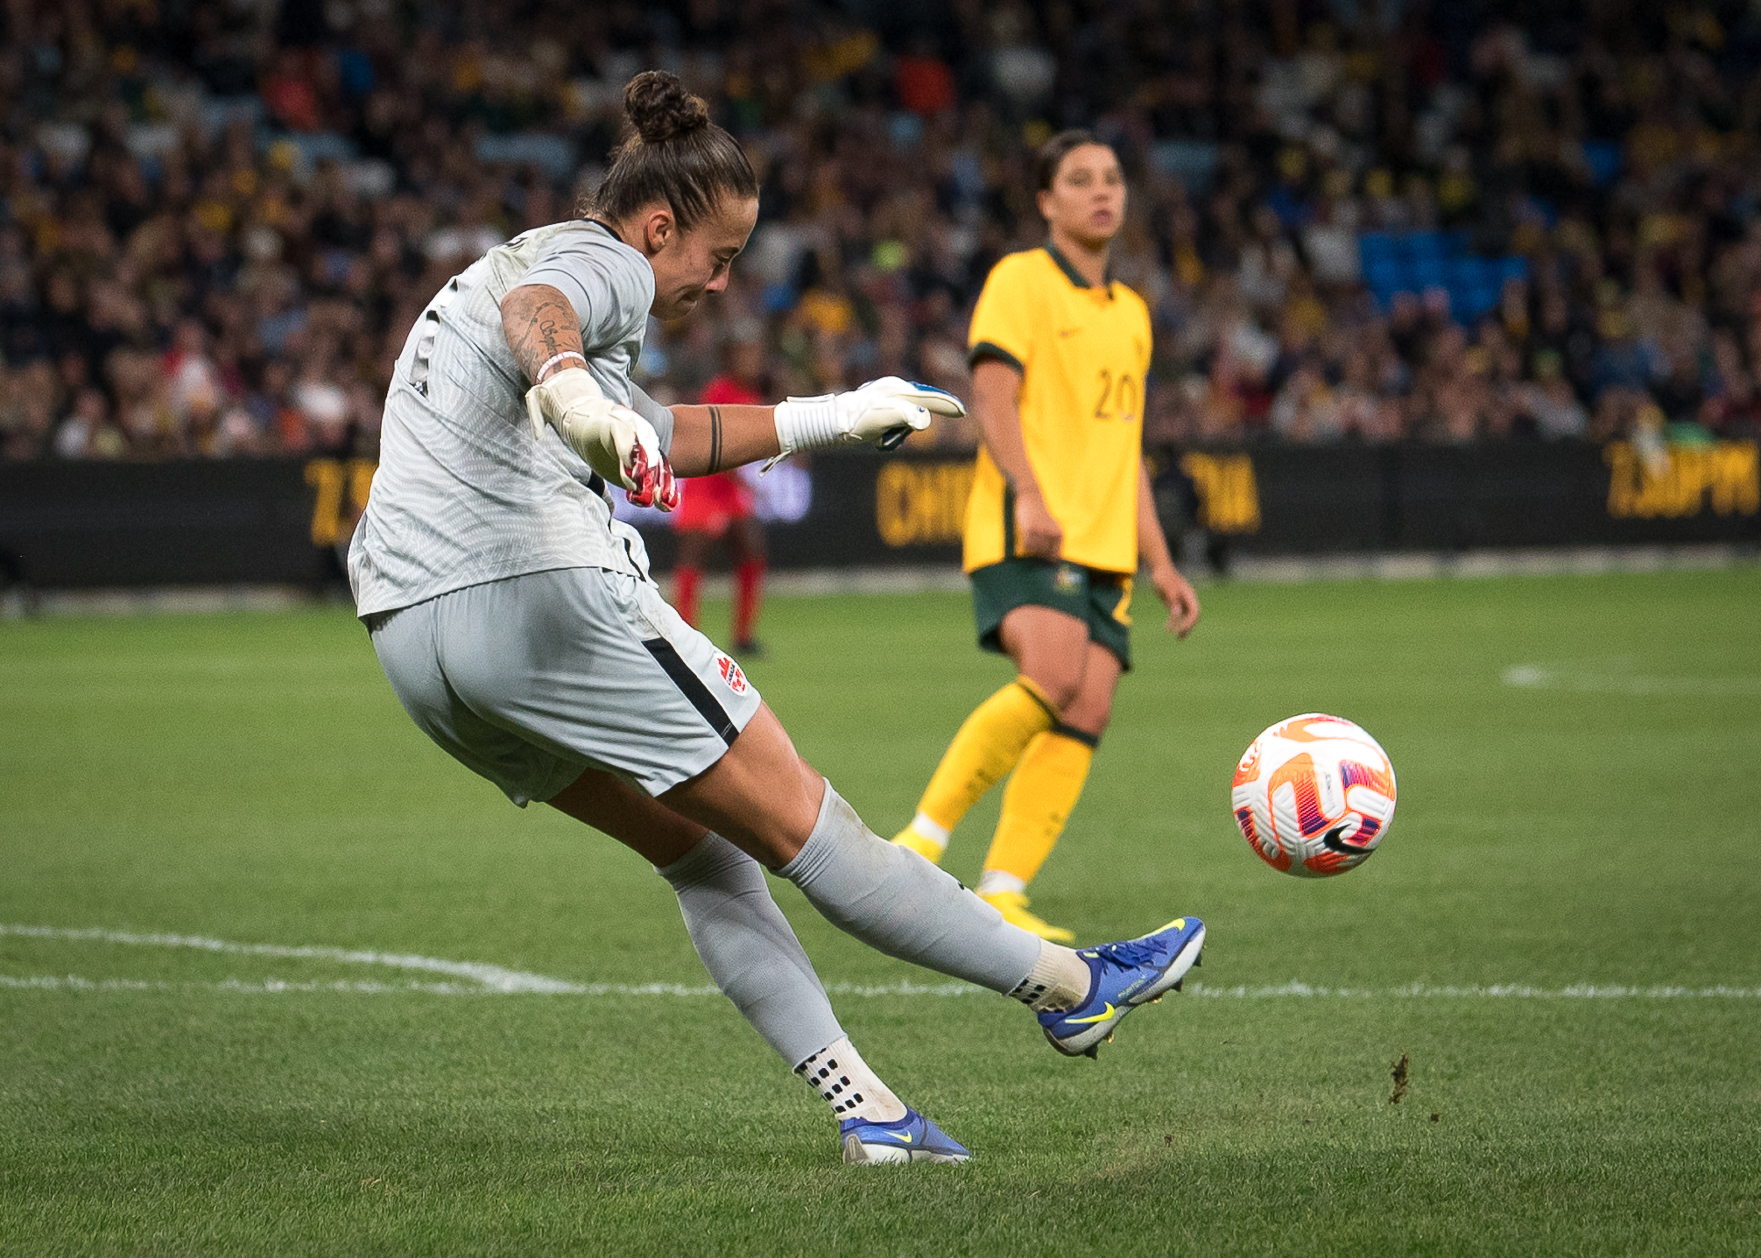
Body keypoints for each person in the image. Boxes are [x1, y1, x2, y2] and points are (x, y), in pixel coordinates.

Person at [349, 75, 1205, 1166]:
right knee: (814, 829)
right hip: (535, 600)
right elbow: (544, 321)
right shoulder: (600, 265)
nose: (720, 277)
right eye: (720, 252)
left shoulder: (508, 264)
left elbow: (662, 422)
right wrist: (569, 394)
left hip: (419, 649)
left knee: (704, 857)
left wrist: (837, 414)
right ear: (660, 225)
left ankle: (871, 1113)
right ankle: (1075, 987)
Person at [891, 132, 1203, 944]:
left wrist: (1161, 560)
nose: (1101, 192)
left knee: (1087, 705)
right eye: (1078, 180)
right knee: (1057, 674)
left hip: (1105, 542)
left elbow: (1123, 446)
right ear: (1045, 200)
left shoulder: (1131, 314)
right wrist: (1028, 491)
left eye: (1112, 177)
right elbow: (992, 398)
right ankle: (918, 845)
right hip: (1032, 521)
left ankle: (1002, 885)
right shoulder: (1020, 280)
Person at [671, 326, 768, 651]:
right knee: (693, 557)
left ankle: (743, 636)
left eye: (755, 354)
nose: (752, 361)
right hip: (705, 484)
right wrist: (747, 484)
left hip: (727, 491)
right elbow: (714, 446)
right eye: (746, 354)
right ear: (731, 358)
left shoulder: (752, 395)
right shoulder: (719, 392)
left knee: (752, 551)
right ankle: (684, 634)